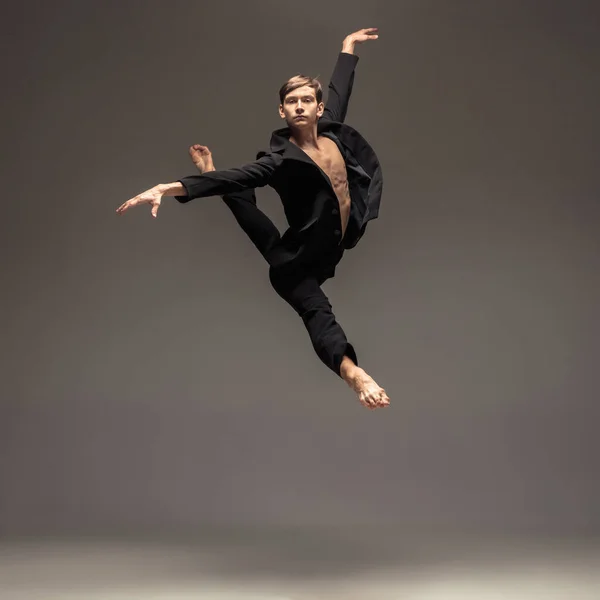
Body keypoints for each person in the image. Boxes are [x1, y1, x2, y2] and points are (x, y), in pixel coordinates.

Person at [117, 28, 389, 410]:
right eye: (291, 101)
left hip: (325, 247)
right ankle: (355, 375)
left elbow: (339, 91)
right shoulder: (278, 161)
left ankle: (211, 171)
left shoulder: (333, 134)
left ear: (318, 108)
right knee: (310, 302)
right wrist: (168, 187)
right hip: (294, 266)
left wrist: (347, 49)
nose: (299, 106)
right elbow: (238, 177)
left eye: (306, 100)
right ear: (282, 111)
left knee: (258, 225)